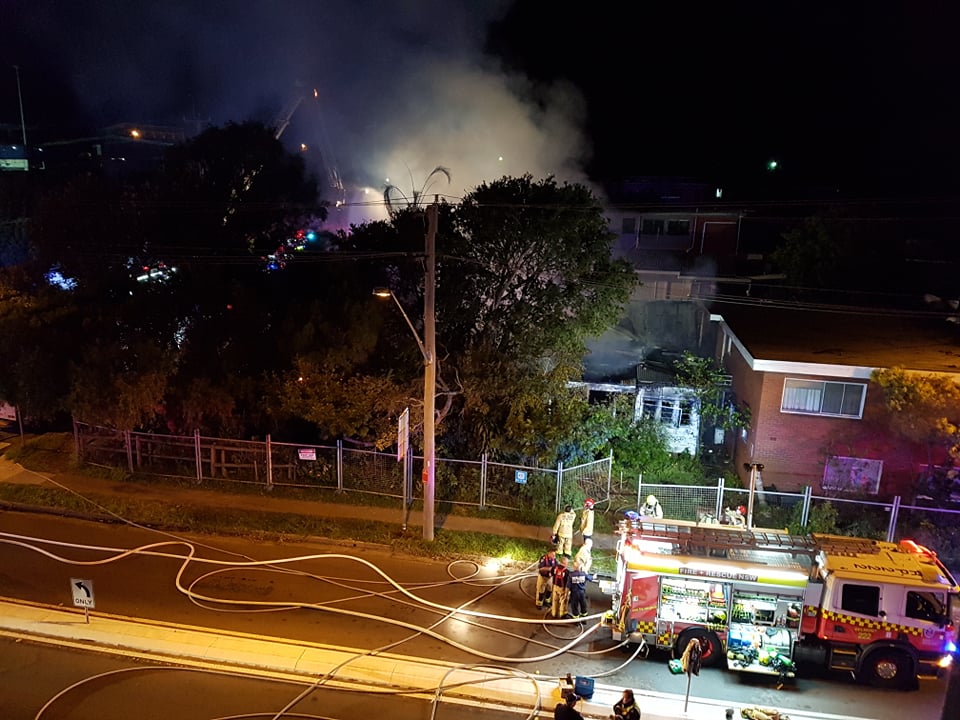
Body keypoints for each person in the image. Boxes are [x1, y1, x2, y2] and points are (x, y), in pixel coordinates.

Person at [551, 554, 571, 618]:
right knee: (563, 601)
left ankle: (554, 613)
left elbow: (551, 573)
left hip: (555, 586)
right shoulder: (567, 572)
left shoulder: (555, 568)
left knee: (555, 600)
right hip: (562, 588)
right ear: (565, 563)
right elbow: (568, 582)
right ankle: (562, 614)